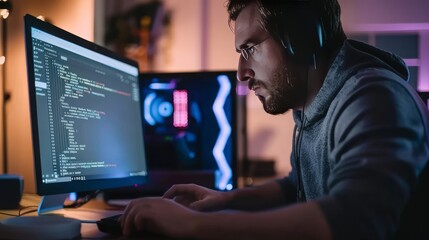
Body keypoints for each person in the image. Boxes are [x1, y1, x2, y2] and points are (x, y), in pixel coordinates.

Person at [120, 0, 429, 239]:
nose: (241, 73)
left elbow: (354, 221)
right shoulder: (314, 101)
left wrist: (191, 225)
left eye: (249, 48)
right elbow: (298, 186)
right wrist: (224, 201)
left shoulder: (372, 98)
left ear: (303, 38)